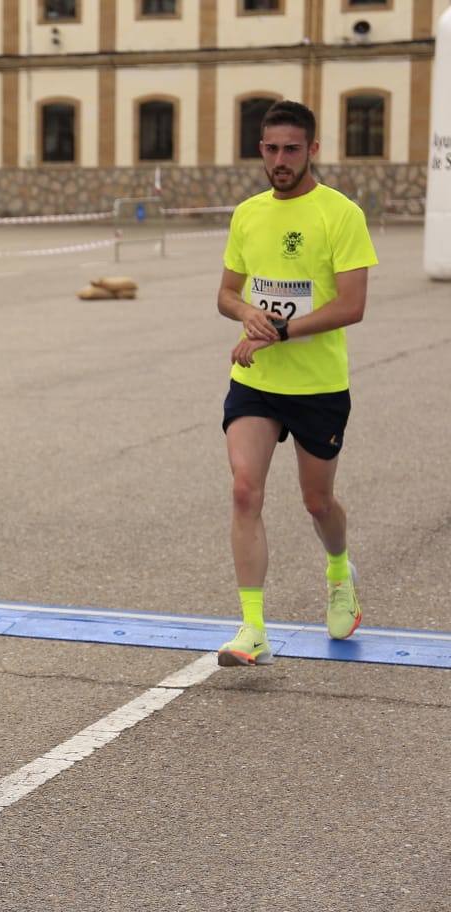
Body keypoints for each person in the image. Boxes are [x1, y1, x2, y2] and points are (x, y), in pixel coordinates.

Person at [214, 100, 378, 667]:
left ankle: (339, 574)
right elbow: (227, 293)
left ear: (312, 150)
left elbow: (353, 306)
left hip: (317, 384)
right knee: (243, 490)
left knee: (317, 500)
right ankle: (252, 628)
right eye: (270, 149)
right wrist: (246, 315)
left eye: (291, 149)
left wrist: (280, 329)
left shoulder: (341, 214)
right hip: (256, 376)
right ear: (260, 150)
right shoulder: (248, 214)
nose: (279, 160)